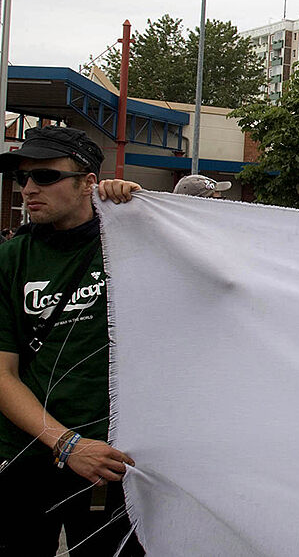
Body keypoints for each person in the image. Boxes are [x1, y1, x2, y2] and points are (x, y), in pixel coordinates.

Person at [0, 126, 142, 556]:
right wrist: (68, 445)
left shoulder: (130, 239)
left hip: (114, 460)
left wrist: (145, 209)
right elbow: (2, 375)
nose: (28, 189)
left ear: (87, 183)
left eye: (45, 177)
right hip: (28, 456)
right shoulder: (11, 258)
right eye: (21, 178)